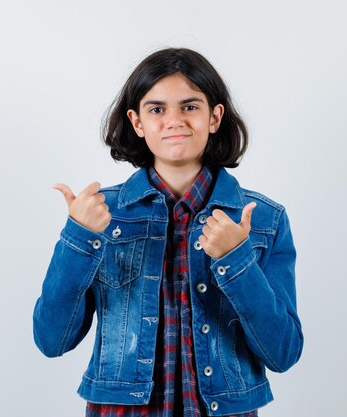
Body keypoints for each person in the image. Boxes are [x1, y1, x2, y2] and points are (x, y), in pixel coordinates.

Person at [33, 47, 303, 417]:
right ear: (137, 122)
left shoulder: (264, 220)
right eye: (157, 109)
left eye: (190, 106)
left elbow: (283, 353)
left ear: (215, 117)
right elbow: (52, 340)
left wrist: (237, 261)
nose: (174, 120)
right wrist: (79, 238)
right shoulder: (98, 215)